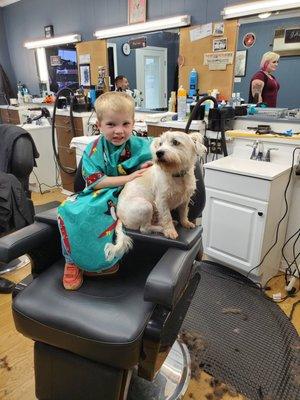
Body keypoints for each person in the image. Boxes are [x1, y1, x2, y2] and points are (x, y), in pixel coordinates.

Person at [57, 91, 152, 290]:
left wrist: (155, 163)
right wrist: (128, 176)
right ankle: (72, 261)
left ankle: (105, 261)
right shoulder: (93, 150)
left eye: (126, 124)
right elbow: (97, 182)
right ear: (98, 125)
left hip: (132, 193)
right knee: (67, 209)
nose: (119, 131)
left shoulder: (144, 145)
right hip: (101, 190)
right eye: (111, 124)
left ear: (133, 123)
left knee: (111, 214)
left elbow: (162, 154)